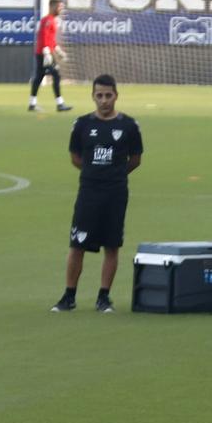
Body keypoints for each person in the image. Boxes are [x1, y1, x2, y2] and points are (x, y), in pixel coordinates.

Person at [54, 75, 143, 315]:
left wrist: (114, 174)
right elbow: (75, 156)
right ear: (93, 96)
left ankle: (104, 297)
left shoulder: (129, 126)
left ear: (116, 95)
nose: (104, 100)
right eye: (99, 95)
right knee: (77, 244)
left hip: (115, 193)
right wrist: (93, 172)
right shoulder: (82, 124)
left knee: (112, 245)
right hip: (88, 192)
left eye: (108, 95)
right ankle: (69, 296)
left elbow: (135, 159)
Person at [29, 0, 69, 113]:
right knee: (56, 75)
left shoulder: (51, 20)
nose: (61, 9)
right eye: (59, 7)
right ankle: (60, 104)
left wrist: (59, 51)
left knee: (39, 77)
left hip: (44, 53)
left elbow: (51, 40)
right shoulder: (47, 20)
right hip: (44, 54)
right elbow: (43, 37)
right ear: (52, 7)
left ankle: (32, 104)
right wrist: (47, 53)